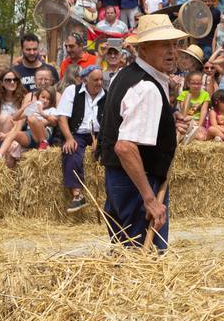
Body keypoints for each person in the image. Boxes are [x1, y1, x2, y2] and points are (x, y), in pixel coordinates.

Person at [97, 14, 188, 249]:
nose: (172, 51)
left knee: (126, 254)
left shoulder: (125, 75)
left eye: (174, 44)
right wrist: (150, 199)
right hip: (138, 183)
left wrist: (167, 119)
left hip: (121, 180)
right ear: (144, 49)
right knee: (144, 259)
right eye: (163, 45)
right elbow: (125, 146)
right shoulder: (146, 87)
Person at [56, 66, 104, 213]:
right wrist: (69, 138)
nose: (100, 83)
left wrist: (100, 140)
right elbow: (62, 117)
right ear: (85, 80)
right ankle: (77, 195)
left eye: (101, 79)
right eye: (95, 80)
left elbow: (110, 121)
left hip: (99, 133)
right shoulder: (72, 91)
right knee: (71, 150)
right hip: (78, 132)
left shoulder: (107, 95)